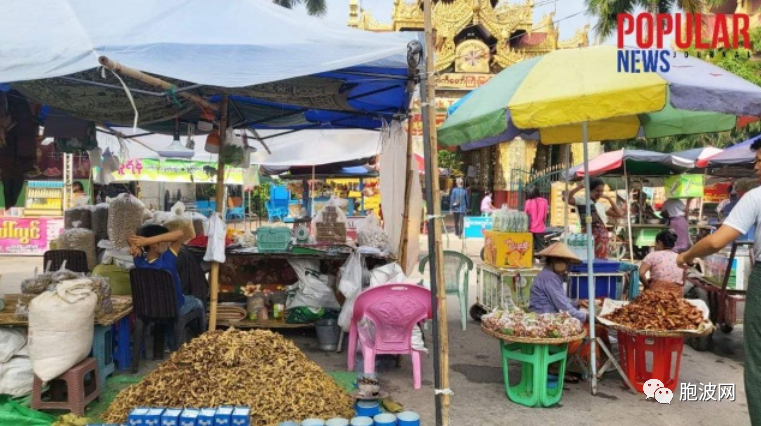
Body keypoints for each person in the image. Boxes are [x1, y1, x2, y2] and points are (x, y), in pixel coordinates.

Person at [676, 138, 761, 425]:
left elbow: (716, 241)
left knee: (758, 363)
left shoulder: (755, 197)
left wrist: (686, 256)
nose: (756, 166)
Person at [129, 225, 207, 340]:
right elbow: (180, 233)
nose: (167, 244)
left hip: (147, 310)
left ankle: (165, 343)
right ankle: (202, 339)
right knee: (198, 303)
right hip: (175, 309)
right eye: (164, 241)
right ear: (154, 244)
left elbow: (129, 234)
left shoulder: (139, 262)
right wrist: (148, 240)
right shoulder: (167, 260)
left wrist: (135, 245)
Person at [566, 178, 625, 259]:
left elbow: (619, 214)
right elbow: (567, 199)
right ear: (589, 190)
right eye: (597, 190)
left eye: (601, 191)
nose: (599, 193)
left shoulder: (601, 205)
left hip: (602, 237)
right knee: (588, 256)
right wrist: (579, 187)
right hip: (588, 235)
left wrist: (609, 199)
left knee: (601, 258)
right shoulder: (582, 200)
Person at [639, 230, 686, 296]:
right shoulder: (679, 257)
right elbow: (683, 280)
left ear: (659, 242)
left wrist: (647, 286)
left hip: (657, 293)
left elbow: (641, 274)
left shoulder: (652, 255)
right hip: (676, 294)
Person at [524, 185, 549, 252]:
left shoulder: (528, 202)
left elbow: (526, 215)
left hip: (530, 228)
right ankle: (543, 259)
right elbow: (545, 215)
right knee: (541, 246)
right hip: (540, 227)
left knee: (530, 246)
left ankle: (531, 259)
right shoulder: (545, 201)